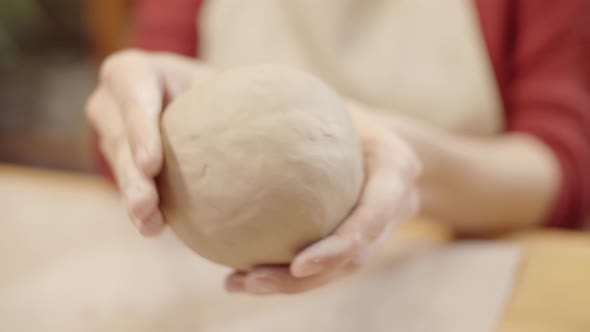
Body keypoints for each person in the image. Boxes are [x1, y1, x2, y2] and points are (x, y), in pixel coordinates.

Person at [86, 0, 590, 295]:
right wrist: (130, 122)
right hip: (217, 297)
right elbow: (132, 133)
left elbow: (565, 166)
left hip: (456, 282)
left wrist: (416, 169)